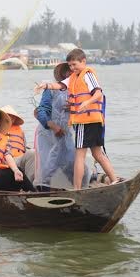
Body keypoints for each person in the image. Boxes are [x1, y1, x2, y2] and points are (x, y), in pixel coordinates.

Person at [35, 49, 119, 189]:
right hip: (90, 121)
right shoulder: (72, 78)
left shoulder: (87, 74)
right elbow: (59, 86)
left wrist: (86, 103)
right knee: (97, 153)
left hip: (85, 121)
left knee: (80, 155)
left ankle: (77, 188)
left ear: (83, 62)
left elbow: (98, 93)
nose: (72, 69)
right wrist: (46, 85)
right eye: (70, 66)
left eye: (74, 65)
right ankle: (114, 180)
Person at [33, 62, 89, 190]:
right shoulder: (51, 89)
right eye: (68, 72)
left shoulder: (77, 91)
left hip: (66, 133)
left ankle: (80, 188)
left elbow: (85, 112)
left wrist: (74, 106)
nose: (70, 74)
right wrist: (52, 126)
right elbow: (42, 110)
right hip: (49, 133)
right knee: (49, 162)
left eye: (73, 72)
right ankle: (43, 188)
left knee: (72, 162)